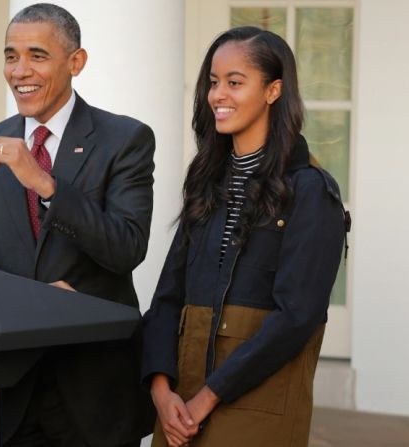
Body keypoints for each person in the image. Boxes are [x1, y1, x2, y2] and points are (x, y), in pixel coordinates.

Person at [0, 3, 156, 446]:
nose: (20, 70)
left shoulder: (126, 139)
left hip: (94, 392)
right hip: (6, 392)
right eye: (10, 55)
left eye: (37, 55)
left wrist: (46, 185)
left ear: (75, 62)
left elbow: (126, 247)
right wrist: (30, 302)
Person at [140, 27, 348, 447]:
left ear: (273, 91)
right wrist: (161, 392)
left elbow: (297, 315)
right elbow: (166, 297)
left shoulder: (310, 191)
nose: (218, 95)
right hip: (180, 406)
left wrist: (208, 398)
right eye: (214, 83)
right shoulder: (207, 183)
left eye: (235, 82)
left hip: (258, 407)